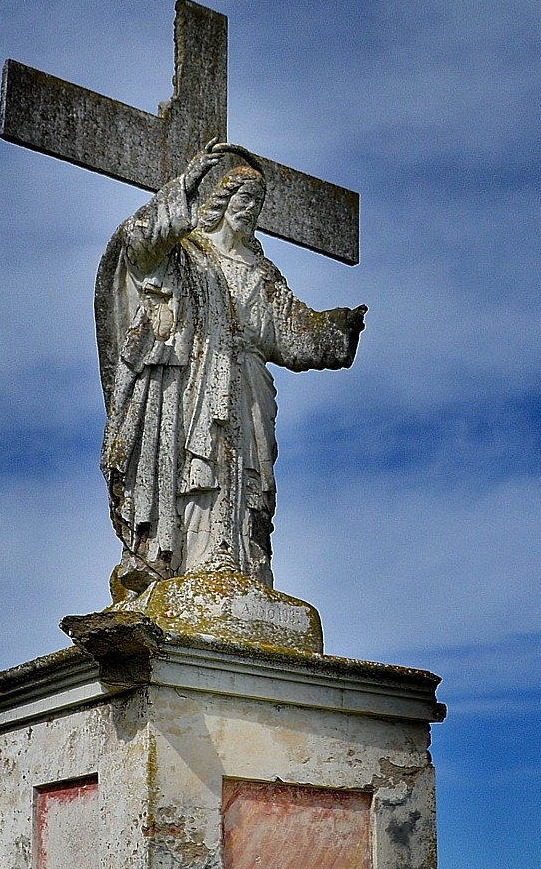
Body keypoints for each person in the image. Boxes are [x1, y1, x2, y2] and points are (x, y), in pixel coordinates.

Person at [95, 139, 365, 602]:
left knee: (250, 471)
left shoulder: (262, 273)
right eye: (243, 200)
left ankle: (243, 563)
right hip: (196, 382)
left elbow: (290, 330)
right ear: (219, 203)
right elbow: (137, 248)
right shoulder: (186, 256)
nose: (249, 211)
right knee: (202, 461)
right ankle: (194, 559)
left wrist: (334, 329)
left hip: (249, 383)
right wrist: (184, 187)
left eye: (257, 206)